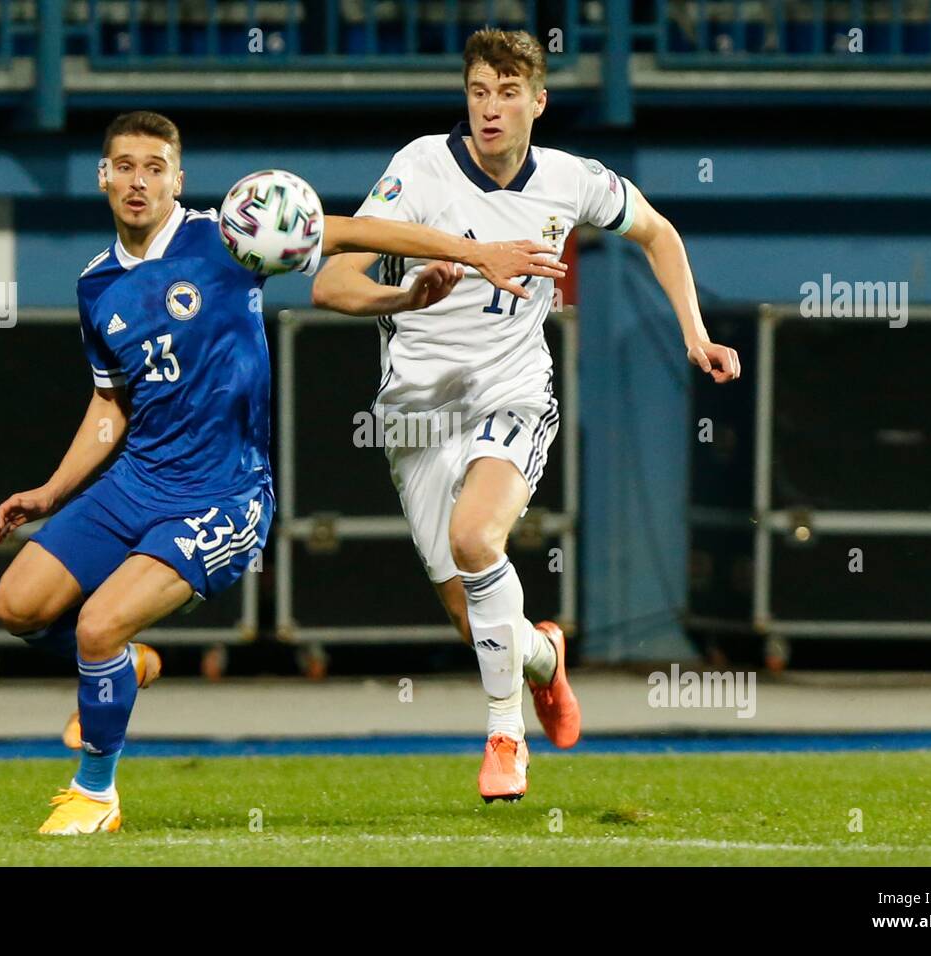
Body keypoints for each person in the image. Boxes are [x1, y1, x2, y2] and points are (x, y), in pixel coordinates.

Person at [0, 110, 567, 834]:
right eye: (126, 166)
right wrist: (49, 492)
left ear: (178, 179)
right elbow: (111, 404)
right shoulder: (96, 285)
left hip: (224, 496)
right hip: (137, 482)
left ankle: (95, 793)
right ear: (103, 176)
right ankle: (123, 667)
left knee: (99, 625)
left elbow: (351, 231)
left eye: (155, 167)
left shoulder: (229, 238)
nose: (140, 181)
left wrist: (468, 256)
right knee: (16, 607)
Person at [313, 30, 740, 802]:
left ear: (537, 102)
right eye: (478, 91)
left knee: (477, 538)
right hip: (415, 416)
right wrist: (402, 296)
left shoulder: (572, 181)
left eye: (508, 92)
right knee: (477, 624)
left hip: (511, 392)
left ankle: (505, 739)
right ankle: (543, 659)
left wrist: (696, 332)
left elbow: (657, 233)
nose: (490, 108)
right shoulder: (418, 169)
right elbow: (330, 283)